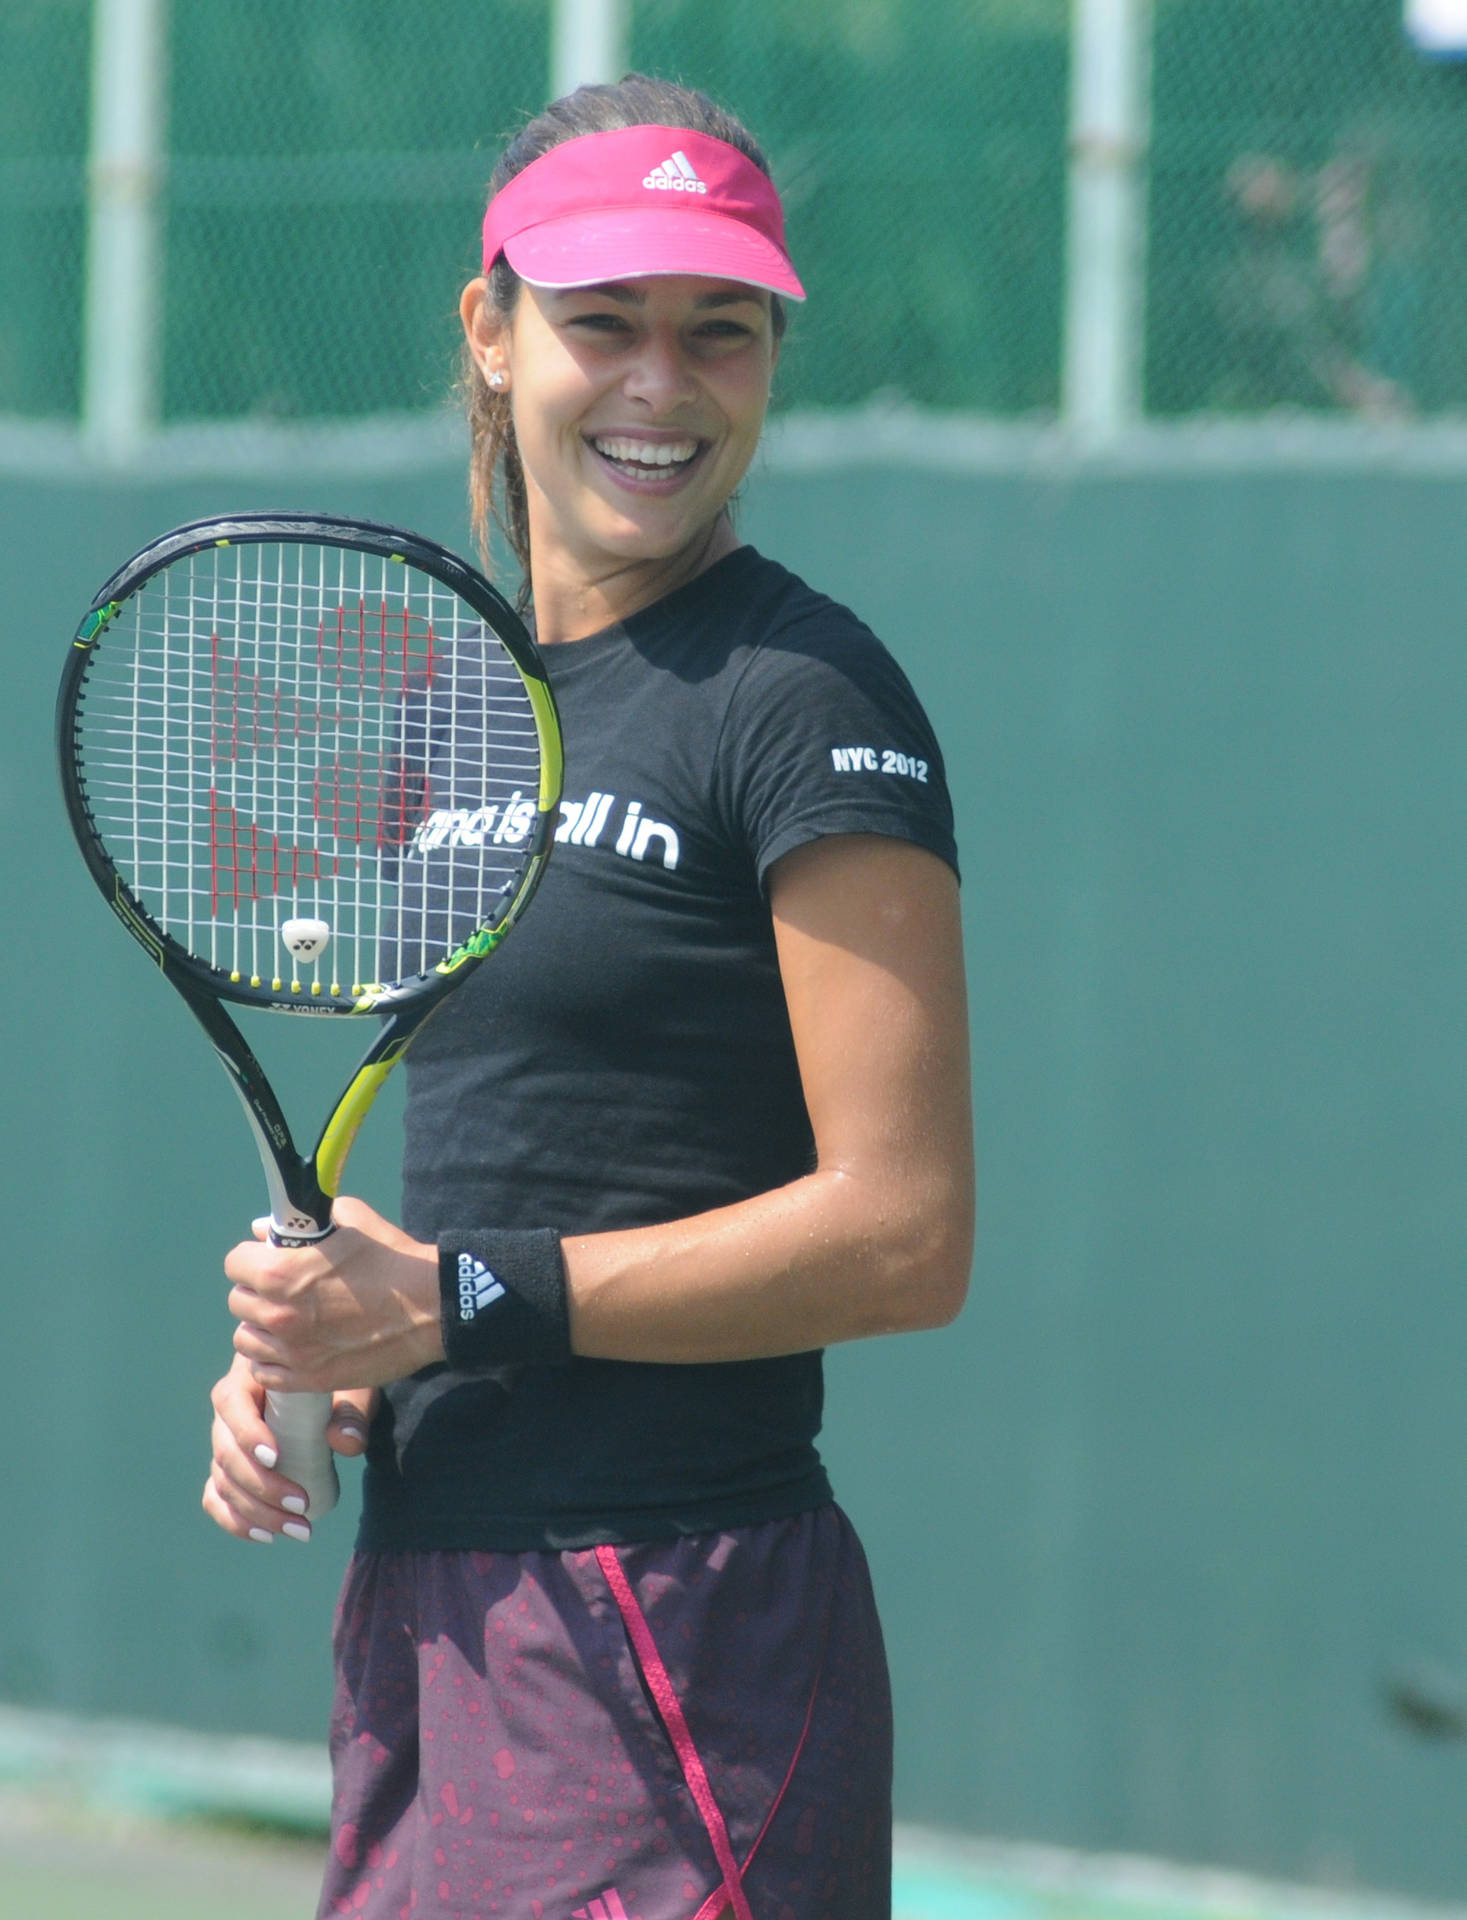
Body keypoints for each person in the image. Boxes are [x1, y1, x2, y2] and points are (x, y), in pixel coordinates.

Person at [203, 74, 973, 1920]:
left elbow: (906, 1234)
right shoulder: (454, 714)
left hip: (681, 1636)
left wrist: (451, 1300)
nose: (660, 384)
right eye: (602, 324)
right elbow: (539, 1177)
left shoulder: (802, 697)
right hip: (434, 1612)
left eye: (720, 334)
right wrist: (341, 1350)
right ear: (490, 331)